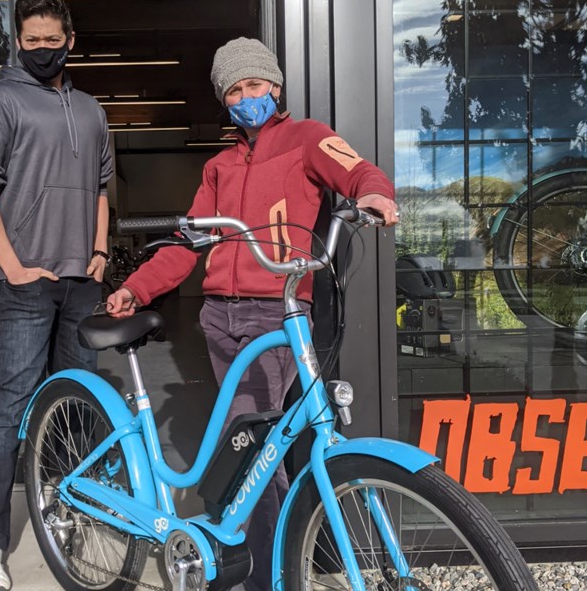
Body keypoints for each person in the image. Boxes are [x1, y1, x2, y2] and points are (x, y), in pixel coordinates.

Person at [106, 37, 399, 591]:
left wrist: (376, 196)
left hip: (278, 315)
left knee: (255, 450)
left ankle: (269, 572)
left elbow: (358, 170)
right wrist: (137, 289)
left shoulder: (306, 139)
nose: (247, 97)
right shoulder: (218, 167)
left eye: (255, 85)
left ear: (276, 87)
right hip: (220, 318)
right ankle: (271, 567)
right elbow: (185, 243)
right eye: (234, 90)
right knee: (256, 448)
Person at [0, 0, 113, 591]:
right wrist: (14, 267)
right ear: (18, 41)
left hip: (80, 282)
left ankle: (68, 512)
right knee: (7, 413)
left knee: (75, 407)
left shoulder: (93, 109)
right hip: (23, 286)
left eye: (53, 40)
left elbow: (101, 187)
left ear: (69, 40)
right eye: (32, 40)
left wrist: (98, 255)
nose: (43, 49)